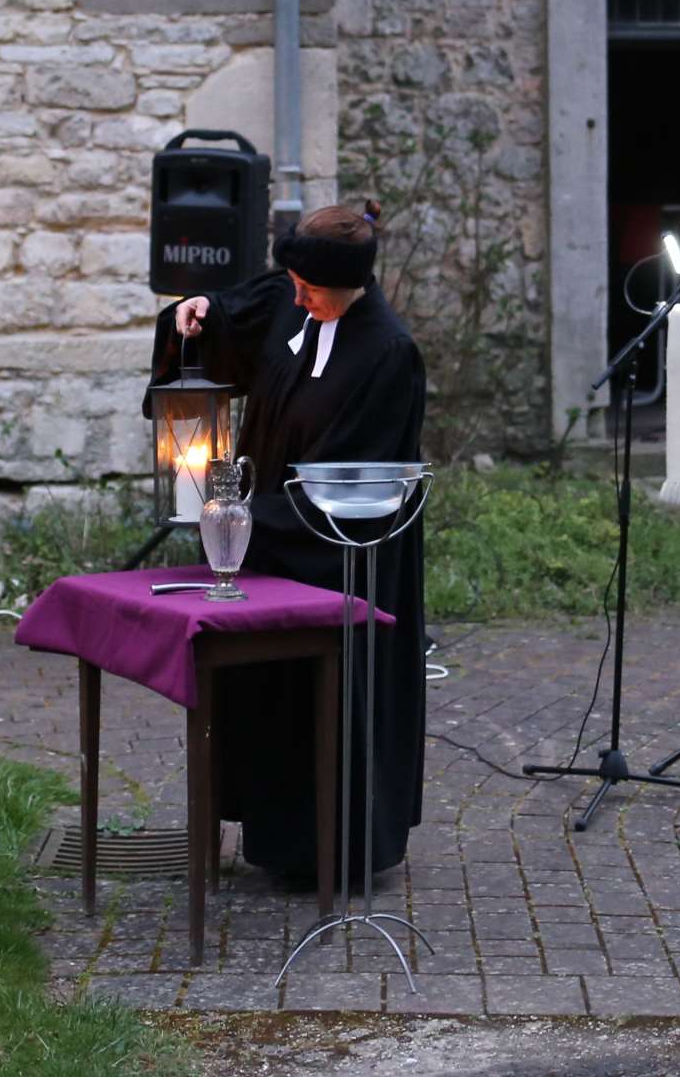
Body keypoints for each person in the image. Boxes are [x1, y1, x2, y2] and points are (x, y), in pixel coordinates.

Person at [142, 200, 426, 880]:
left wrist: (246, 514)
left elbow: (353, 495)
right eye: (294, 284)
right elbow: (244, 310)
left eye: (312, 291)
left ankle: (334, 849)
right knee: (263, 696)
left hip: (335, 562)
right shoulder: (294, 295)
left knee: (323, 700)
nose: (298, 300)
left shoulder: (387, 355)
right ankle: (269, 837)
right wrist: (199, 309)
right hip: (267, 536)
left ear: (353, 285)